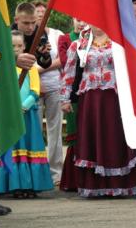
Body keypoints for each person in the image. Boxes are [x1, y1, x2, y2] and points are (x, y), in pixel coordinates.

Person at [60, 26, 136, 197]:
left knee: (115, 138)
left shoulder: (119, 41)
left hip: (115, 98)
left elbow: (133, 68)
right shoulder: (80, 44)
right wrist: (65, 98)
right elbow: (69, 71)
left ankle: (123, 185)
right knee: (92, 138)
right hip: (90, 101)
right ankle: (95, 186)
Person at [0, 30, 53, 198]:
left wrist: (23, 106)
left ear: (25, 46)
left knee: (30, 147)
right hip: (10, 115)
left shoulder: (31, 67)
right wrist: (10, 107)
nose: (16, 49)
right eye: (12, 46)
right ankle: (16, 186)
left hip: (27, 115)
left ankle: (31, 185)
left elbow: (35, 90)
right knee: (14, 148)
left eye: (19, 46)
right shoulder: (3, 68)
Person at [31, 0, 64, 186]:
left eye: (44, 12)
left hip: (54, 85)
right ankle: (37, 172)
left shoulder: (57, 34)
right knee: (35, 129)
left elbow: (62, 59)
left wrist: (40, 70)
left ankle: (55, 172)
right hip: (32, 88)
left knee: (55, 129)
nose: (41, 15)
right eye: (38, 12)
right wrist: (35, 77)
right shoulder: (27, 34)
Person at [58, 18, 87, 191]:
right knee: (75, 134)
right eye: (78, 18)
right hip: (74, 93)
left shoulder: (105, 41)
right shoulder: (69, 40)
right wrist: (65, 97)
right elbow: (66, 65)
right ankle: (75, 179)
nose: (82, 22)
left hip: (94, 94)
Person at [12, 2, 52, 69]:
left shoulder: (39, 32)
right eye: (26, 23)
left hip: (28, 75)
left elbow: (45, 65)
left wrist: (44, 54)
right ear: (16, 20)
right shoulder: (7, 34)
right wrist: (13, 59)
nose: (31, 27)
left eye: (33, 22)